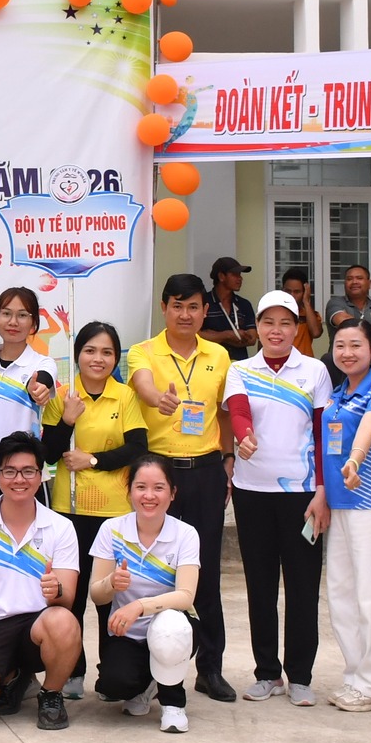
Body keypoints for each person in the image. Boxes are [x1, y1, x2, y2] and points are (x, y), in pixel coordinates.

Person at [127, 274, 237, 703]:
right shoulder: (143, 351)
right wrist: (159, 399)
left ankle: (210, 668)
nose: (185, 314)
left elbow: (224, 411)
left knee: (203, 572)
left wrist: (228, 458)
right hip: (159, 473)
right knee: (152, 572)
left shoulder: (220, 355)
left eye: (193, 307)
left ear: (205, 311)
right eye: (177, 305)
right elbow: (143, 386)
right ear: (164, 308)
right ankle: (149, 673)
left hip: (206, 471)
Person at [224, 289, 333, 707]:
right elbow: (238, 412)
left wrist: (322, 491)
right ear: (258, 328)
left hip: (302, 497)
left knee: (303, 587)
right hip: (252, 494)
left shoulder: (314, 371)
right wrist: (244, 436)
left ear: (296, 328)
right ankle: (267, 672)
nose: (276, 330)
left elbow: (322, 434)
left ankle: (300, 676)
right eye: (268, 322)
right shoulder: (241, 369)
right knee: (261, 585)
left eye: (285, 323)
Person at [40, 321, 149, 698]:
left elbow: (137, 448)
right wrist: (67, 419)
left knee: (108, 595)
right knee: (69, 595)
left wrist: (94, 460)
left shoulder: (125, 396)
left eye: (107, 352)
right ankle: (72, 670)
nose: (98, 359)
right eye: (90, 351)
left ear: (116, 358)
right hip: (67, 510)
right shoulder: (63, 395)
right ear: (77, 355)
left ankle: (111, 671)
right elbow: (48, 453)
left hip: (113, 514)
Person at [0, 432, 82, 731]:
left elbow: (67, 600)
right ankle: (13, 677)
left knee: (63, 621)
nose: (19, 479)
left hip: (38, 626)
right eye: (10, 471)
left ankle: (51, 694)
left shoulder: (60, 527)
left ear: (41, 475)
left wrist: (56, 590)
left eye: (28, 471)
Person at [320, 317, 371, 713]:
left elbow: (368, 428)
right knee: (341, 596)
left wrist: (354, 460)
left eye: (356, 345)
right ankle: (355, 676)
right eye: (340, 345)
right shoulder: (336, 394)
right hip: (339, 507)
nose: (347, 353)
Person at [89, 454, 201, 734]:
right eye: (141, 487)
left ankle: (173, 703)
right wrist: (111, 582)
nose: (149, 496)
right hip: (127, 631)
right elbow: (97, 595)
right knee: (113, 685)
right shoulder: (111, 530)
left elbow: (185, 596)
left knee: (170, 627)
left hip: (173, 628)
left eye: (158, 488)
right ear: (129, 491)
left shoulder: (186, 534)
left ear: (172, 493)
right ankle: (150, 683)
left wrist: (139, 605)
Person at [0, 286, 55, 507]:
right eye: (6, 313)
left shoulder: (42, 363)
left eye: (22, 315)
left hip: (29, 478)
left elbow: (42, 381)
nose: (13, 322)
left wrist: (38, 390)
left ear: (33, 323)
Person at [324, 265, 371, 385]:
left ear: (369, 283)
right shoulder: (335, 303)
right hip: (338, 375)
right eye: (349, 279)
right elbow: (343, 321)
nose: (354, 282)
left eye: (359, 278)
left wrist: (355, 328)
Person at [201, 256, 257, 361]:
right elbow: (195, 335)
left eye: (240, 275)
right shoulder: (203, 302)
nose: (240, 278)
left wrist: (214, 335)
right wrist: (228, 335)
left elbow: (252, 339)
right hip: (209, 363)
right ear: (221, 276)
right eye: (235, 274)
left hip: (238, 364)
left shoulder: (244, 304)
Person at [279, 267, 326, 357]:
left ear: (304, 292)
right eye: (288, 291)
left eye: (297, 292)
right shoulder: (273, 314)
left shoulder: (309, 314)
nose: (292, 295)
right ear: (282, 291)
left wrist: (306, 302)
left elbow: (316, 333)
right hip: (280, 362)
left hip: (304, 363)